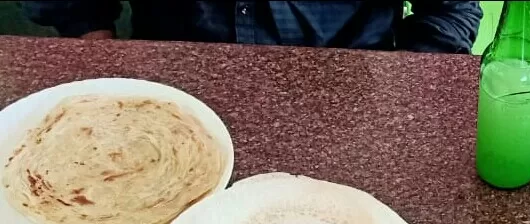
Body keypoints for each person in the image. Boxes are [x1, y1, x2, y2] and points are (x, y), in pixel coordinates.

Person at [22, 1, 481, 54]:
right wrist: (89, 34)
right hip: (174, 84)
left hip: (351, 101)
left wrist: (405, 89)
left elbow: (452, 8)